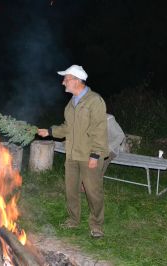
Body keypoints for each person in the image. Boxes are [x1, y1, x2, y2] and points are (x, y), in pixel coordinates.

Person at [38, 65, 108, 238]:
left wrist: (95, 154)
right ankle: (73, 220)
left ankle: (96, 224)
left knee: (93, 191)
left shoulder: (94, 101)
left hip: (89, 155)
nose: (63, 83)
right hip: (72, 154)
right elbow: (67, 128)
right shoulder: (71, 104)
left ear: (76, 80)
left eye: (66, 79)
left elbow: (100, 129)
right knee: (71, 190)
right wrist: (50, 131)